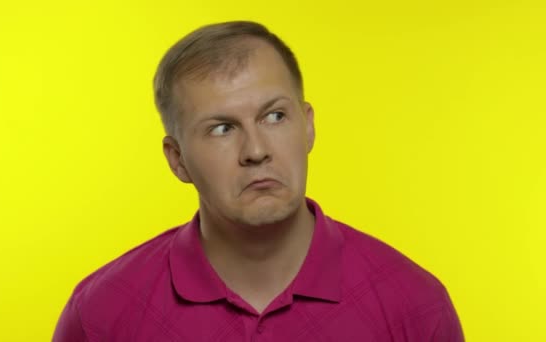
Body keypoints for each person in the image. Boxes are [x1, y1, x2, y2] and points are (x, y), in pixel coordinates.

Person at [53, 21, 464, 341]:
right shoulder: (101, 313)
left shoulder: (413, 303)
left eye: (274, 117)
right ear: (177, 160)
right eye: (221, 128)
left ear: (307, 127)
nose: (256, 150)